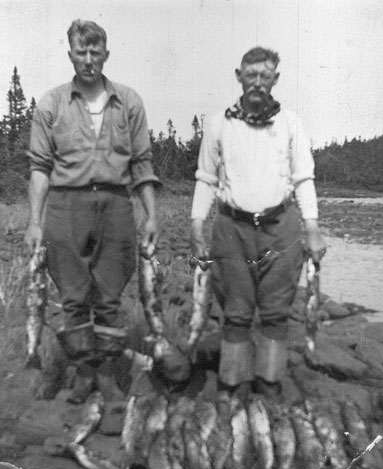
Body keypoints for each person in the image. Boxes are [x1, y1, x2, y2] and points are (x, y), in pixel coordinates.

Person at [25, 20, 160, 404]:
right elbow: (39, 168)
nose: (88, 60)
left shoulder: (129, 102)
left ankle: (108, 375)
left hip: (116, 204)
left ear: (106, 54)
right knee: (73, 294)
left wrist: (151, 215)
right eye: (80, 53)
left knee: (109, 294)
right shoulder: (51, 103)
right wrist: (35, 222)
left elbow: (142, 165)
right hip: (66, 205)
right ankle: (83, 371)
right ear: (70, 55)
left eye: (95, 53)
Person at [190, 46, 326, 402]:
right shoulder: (218, 123)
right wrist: (195, 225)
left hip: (280, 227)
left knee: (276, 313)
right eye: (250, 75)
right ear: (239, 76)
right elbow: (205, 178)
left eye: (265, 76)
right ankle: (232, 387)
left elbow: (304, 179)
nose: (257, 83)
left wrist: (311, 227)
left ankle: (268, 386)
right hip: (231, 230)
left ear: (275, 79)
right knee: (235, 314)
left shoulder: (291, 124)